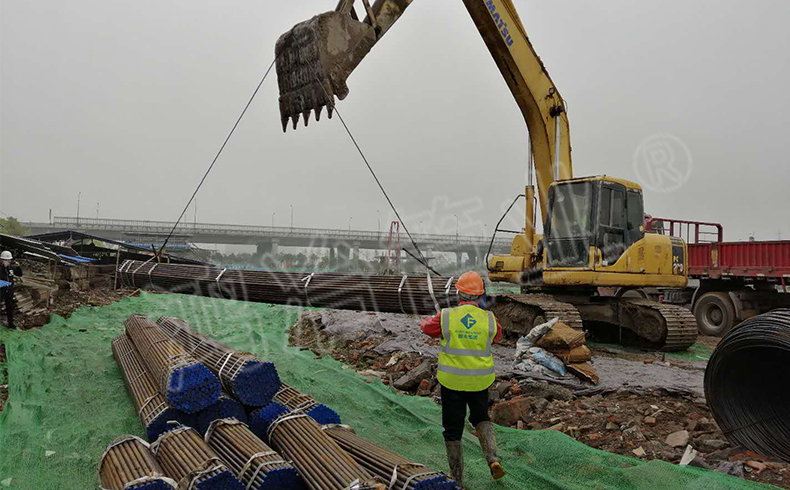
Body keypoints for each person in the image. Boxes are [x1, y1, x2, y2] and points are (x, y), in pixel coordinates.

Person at [420, 270, 505, 487]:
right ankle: (493, 459)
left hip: (452, 382)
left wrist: (426, 322)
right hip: (479, 381)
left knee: (453, 428)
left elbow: (428, 329)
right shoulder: (489, 319)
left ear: (458, 292)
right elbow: (497, 336)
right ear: (480, 295)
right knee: (481, 417)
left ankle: (457, 479)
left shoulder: (446, 316)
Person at [0, 250, 23, 329]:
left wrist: (18, 267)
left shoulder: (12, 268)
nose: (7, 262)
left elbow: (20, 274)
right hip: (1, 290)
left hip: (9, 291)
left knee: (9, 307)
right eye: (5, 260)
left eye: (8, 260)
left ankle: (11, 323)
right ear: (1, 260)